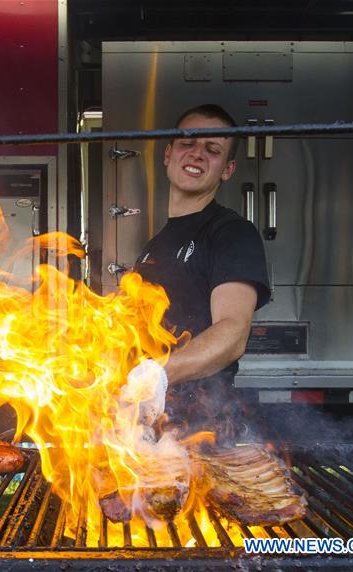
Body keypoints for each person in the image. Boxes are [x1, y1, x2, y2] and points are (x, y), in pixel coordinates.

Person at [121, 104, 271, 444]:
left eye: (213, 150)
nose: (197, 154)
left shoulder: (231, 233)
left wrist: (158, 374)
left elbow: (233, 333)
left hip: (200, 430)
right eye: (188, 142)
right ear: (168, 153)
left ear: (227, 169)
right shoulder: (156, 245)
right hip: (151, 427)